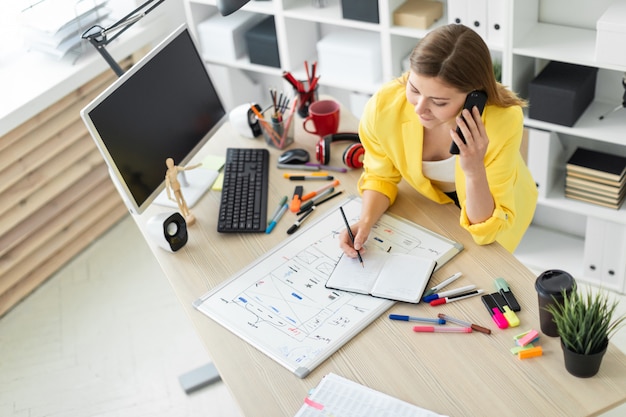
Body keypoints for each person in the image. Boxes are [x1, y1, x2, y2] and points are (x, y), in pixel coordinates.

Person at [339, 24, 537, 257]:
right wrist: (365, 221)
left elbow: (486, 232)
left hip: (489, 205)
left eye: (439, 102)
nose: (419, 108)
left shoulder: (503, 121)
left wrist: (474, 169)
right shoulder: (384, 106)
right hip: (431, 203)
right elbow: (380, 177)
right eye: (414, 89)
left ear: (474, 95)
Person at [165, 157, 202, 226]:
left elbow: (185, 168)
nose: (170, 164)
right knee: (179, 202)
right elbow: (167, 186)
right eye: (169, 163)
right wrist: (169, 196)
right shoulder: (168, 173)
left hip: (177, 184)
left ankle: (187, 213)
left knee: (183, 199)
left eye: (171, 162)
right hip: (174, 187)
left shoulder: (175, 168)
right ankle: (184, 215)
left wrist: (196, 166)